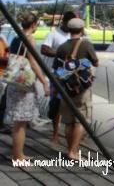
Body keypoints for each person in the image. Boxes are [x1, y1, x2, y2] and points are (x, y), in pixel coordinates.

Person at [4, 12, 49, 161]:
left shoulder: (16, 38)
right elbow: (34, 62)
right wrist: (44, 81)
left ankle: (19, 154)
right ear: (34, 25)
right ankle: (18, 157)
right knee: (21, 123)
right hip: (24, 85)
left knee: (18, 121)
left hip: (14, 82)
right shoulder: (29, 39)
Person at [53, 18, 98, 160]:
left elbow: (57, 69)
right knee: (80, 120)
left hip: (66, 88)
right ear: (82, 29)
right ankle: (73, 151)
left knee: (68, 121)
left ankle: (70, 149)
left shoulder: (61, 47)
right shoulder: (86, 45)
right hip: (81, 89)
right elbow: (96, 63)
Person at [40, 11, 76, 143]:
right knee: (56, 104)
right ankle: (55, 133)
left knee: (70, 104)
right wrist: (60, 53)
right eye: (69, 24)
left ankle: (71, 135)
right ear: (64, 22)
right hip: (55, 75)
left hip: (70, 74)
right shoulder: (53, 34)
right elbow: (44, 49)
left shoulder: (75, 35)